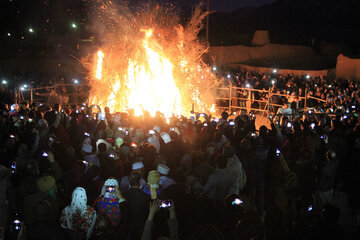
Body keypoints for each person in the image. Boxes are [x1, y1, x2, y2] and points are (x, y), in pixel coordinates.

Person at [125, 172, 151, 240]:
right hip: (141, 227)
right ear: (139, 182)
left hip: (128, 227)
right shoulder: (146, 197)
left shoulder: (124, 195)